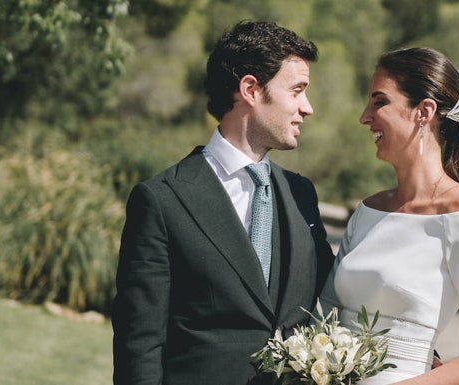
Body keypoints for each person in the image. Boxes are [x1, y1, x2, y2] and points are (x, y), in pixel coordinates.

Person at [112, 20, 334, 385]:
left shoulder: (301, 194)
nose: (306, 107)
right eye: (296, 90)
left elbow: (336, 293)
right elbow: (140, 342)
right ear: (250, 89)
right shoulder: (162, 200)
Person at [320, 47, 459, 385]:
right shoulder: (366, 212)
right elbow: (324, 316)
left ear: (424, 111)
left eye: (379, 102)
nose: (364, 117)